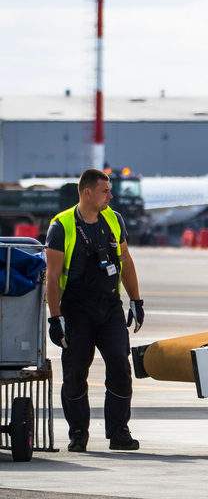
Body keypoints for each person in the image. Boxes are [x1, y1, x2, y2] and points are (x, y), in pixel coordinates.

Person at [45, 169, 145, 452]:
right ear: (87, 193)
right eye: (105, 191)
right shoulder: (61, 226)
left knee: (119, 365)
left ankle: (118, 431)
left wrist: (136, 300)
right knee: (75, 371)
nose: (110, 196)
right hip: (77, 309)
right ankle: (78, 432)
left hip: (110, 306)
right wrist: (56, 318)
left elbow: (125, 258)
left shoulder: (114, 218)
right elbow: (52, 276)